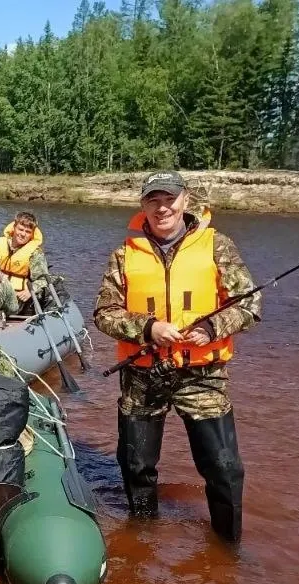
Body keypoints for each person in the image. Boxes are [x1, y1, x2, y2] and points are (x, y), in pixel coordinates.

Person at [93, 170, 261, 543]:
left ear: (185, 200)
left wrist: (213, 328)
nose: (162, 207)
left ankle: (228, 545)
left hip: (203, 374)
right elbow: (104, 314)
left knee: (224, 468)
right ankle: (141, 540)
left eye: (169, 199)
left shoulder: (218, 246)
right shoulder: (124, 255)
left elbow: (250, 303)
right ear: (143, 207)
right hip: (142, 374)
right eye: (153, 200)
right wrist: (149, 328)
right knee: (136, 465)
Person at [0, 211, 53, 314]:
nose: (23, 234)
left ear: (32, 234)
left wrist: (30, 291)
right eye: (20, 229)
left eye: (28, 232)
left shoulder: (35, 253)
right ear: (14, 227)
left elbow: (43, 279)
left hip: (16, 299)